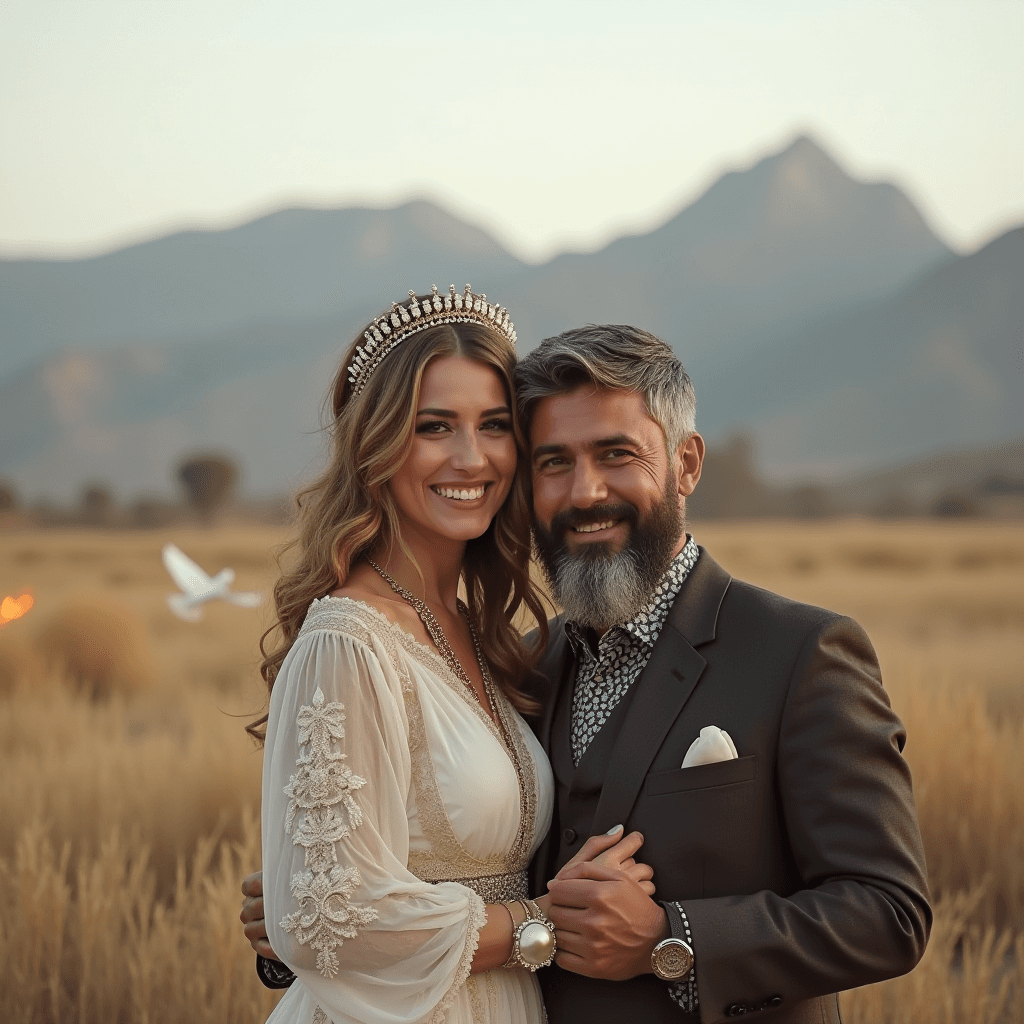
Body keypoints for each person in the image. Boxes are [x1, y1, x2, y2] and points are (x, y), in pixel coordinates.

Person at [245, 323, 931, 1024]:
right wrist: (312, 913)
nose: (586, 491)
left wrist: (675, 938)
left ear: (687, 463)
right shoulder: (518, 663)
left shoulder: (800, 652)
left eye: (616, 454)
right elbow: (433, 867)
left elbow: (889, 912)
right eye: (553, 462)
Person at [248, 287, 654, 1024]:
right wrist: (548, 924)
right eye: (435, 426)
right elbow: (329, 924)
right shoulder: (349, 640)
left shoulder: (479, 632)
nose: (472, 458)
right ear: (377, 443)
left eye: (495, 426)